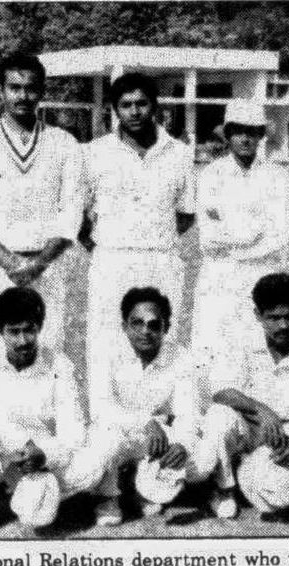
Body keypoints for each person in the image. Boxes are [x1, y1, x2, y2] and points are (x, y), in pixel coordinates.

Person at [0, 287, 106, 539]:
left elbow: (73, 432)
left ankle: (35, 494)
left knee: (94, 463)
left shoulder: (59, 364)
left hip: (37, 459)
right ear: (0, 331)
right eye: (14, 332)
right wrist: (19, 441)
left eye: (29, 330)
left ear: (39, 328)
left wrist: (44, 455)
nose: (22, 341)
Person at [0, 53, 84, 354]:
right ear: (0, 91)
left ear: (42, 92)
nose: (23, 96)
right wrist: (11, 263)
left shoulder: (64, 143)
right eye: (14, 88)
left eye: (31, 88)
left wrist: (38, 264)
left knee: (47, 352)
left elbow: (71, 214)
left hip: (46, 267)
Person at [83, 72, 196, 409]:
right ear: (115, 109)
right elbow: (77, 215)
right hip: (112, 260)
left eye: (141, 104)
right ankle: (106, 417)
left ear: (155, 106)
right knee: (107, 338)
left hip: (161, 258)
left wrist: (153, 236)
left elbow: (185, 213)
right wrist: (105, 245)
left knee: (161, 335)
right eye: (126, 105)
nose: (134, 112)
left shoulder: (179, 153)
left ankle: (166, 417)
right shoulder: (95, 152)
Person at [202, 273, 289, 519]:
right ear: (258, 315)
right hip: (251, 427)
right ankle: (223, 488)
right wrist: (261, 411)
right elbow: (220, 390)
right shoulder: (240, 339)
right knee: (218, 417)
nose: (283, 325)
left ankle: (288, 479)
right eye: (273, 318)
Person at [88, 287, 203, 526]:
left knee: (200, 460)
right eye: (137, 323)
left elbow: (188, 412)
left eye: (154, 325)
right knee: (105, 437)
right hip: (120, 430)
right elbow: (101, 408)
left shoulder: (181, 357)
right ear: (124, 326)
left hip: (158, 437)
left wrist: (182, 443)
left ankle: (142, 490)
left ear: (166, 328)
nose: (145, 331)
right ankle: (108, 497)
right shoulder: (105, 353)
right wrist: (145, 422)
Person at [193, 99, 289, 363]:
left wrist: (234, 236)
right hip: (220, 276)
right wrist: (253, 233)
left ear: (261, 135)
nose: (245, 138)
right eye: (238, 131)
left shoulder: (276, 176)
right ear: (227, 135)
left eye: (252, 131)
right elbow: (209, 238)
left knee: (260, 351)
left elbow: (281, 235)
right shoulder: (211, 175)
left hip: (262, 274)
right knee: (218, 352)